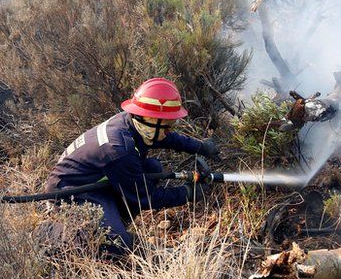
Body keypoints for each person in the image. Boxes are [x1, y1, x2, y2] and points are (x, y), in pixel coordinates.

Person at [44, 78, 219, 257]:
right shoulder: (118, 150)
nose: (169, 130)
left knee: (152, 167)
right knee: (117, 243)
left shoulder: (134, 121)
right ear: (151, 120)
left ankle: (115, 221)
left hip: (94, 182)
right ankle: (53, 235)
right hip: (71, 194)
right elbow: (145, 197)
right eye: (167, 125)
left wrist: (200, 147)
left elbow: (165, 137)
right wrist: (187, 194)